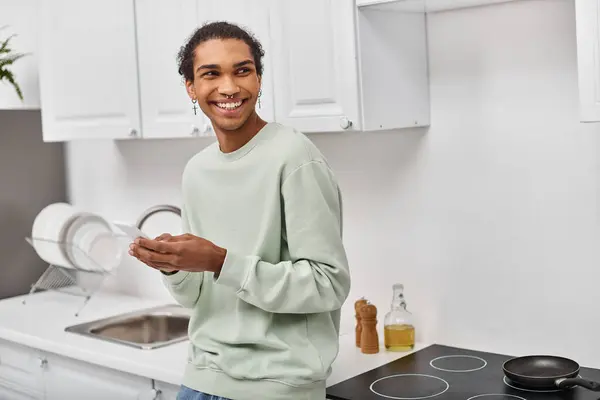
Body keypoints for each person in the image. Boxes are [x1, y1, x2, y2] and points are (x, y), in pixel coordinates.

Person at [128, 21, 351, 400]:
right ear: (191, 87)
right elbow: (196, 298)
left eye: (242, 71)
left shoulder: (294, 158)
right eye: (210, 74)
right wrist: (175, 266)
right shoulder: (197, 171)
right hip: (200, 380)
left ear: (259, 80)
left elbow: (327, 284)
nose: (229, 87)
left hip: (277, 387)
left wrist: (220, 261)